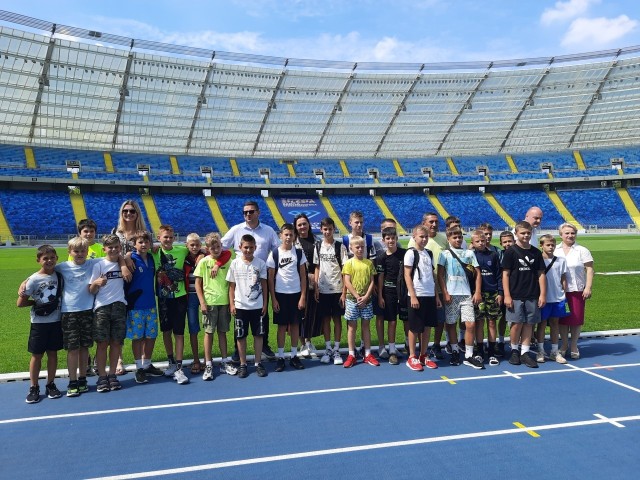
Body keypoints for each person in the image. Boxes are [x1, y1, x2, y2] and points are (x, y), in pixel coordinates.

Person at [221, 201, 279, 361]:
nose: (248, 214)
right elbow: (221, 246)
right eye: (245, 212)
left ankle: (264, 345)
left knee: (262, 314)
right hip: (240, 279)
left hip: (262, 277)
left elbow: (278, 250)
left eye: (251, 211)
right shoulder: (236, 229)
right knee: (240, 317)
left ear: (258, 212)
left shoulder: (268, 231)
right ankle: (237, 350)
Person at [58, 237, 106, 395]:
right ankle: (72, 381)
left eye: (83, 251)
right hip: (69, 312)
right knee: (72, 349)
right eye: (76, 251)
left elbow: (112, 256)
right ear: (69, 252)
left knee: (85, 346)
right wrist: (26, 281)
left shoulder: (92, 263)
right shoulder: (63, 267)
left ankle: (82, 378)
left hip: (87, 311)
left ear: (87, 252)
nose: (79, 254)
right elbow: (46, 271)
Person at [17, 245, 63, 403]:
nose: (49, 260)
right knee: (37, 355)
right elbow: (20, 303)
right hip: (39, 323)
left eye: (52, 257)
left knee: (53, 353)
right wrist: (37, 304)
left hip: (56, 321)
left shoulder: (59, 274)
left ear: (57, 258)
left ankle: (50, 384)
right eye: (45, 258)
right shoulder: (34, 280)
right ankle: (34, 386)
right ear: (38, 261)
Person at [502, 221, 546, 369]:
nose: (526, 235)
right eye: (522, 233)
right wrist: (507, 295)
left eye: (528, 233)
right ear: (516, 234)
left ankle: (525, 352)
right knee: (516, 324)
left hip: (532, 294)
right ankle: (514, 349)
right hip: (515, 295)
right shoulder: (510, 252)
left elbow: (541, 275)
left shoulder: (536, 252)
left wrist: (542, 294)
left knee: (529, 324)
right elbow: (505, 275)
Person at [437, 226, 483, 369]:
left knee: (470, 324)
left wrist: (477, 292)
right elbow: (440, 274)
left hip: (466, 294)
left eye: (459, 237)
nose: (457, 239)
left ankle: (469, 355)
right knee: (451, 324)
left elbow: (477, 273)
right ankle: (455, 351)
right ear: (449, 239)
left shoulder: (469, 253)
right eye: (454, 237)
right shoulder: (444, 254)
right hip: (451, 293)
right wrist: (444, 292)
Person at [89, 234, 129, 392]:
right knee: (102, 344)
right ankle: (102, 376)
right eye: (110, 247)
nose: (113, 249)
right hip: (102, 308)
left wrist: (124, 263)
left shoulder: (123, 264)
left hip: (119, 306)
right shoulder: (99, 265)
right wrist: (96, 283)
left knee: (116, 343)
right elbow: (91, 290)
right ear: (104, 249)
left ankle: (112, 375)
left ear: (120, 248)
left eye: (116, 247)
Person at [194, 232, 236, 380]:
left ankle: (224, 362)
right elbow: (198, 284)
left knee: (223, 332)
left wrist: (232, 303)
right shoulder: (204, 262)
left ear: (221, 246)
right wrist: (202, 302)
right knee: (209, 333)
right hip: (210, 303)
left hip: (224, 303)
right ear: (207, 248)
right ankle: (208, 364)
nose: (216, 249)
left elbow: (232, 284)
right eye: (212, 247)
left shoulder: (228, 261)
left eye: (218, 246)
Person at [151, 224, 190, 385]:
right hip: (163, 298)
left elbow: (199, 250)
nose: (168, 239)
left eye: (170, 237)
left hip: (180, 296)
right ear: (158, 238)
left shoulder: (182, 250)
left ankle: (179, 367)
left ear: (174, 238)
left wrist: (201, 254)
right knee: (166, 331)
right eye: (164, 237)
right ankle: (171, 361)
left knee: (179, 333)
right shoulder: (154, 253)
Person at [226, 234, 269, 378]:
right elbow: (231, 286)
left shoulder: (261, 264)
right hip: (240, 306)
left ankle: (258, 363)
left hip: (257, 306)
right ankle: (243, 364)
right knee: (241, 336)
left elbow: (264, 285)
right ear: (240, 248)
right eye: (246, 247)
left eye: (251, 247)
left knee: (258, 335)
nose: (248, 250)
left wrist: (265, 303)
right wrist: (232, 303)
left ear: (255, 248)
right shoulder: (235, 263)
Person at [112, 200, 146, 375]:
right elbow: (111, 253)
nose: (129, 214)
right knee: (119, 319)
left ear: (137, 213)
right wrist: (124, 261)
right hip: (119, 281)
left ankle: (141, 360)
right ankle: (118, 359)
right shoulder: (115, 233)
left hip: (138, 282)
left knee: (138, 320)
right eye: (125, 211)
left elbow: (148, 251)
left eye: (132, 211)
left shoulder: (143, 233)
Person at [267, 223, 307, 372]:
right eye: (286, 234)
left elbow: (303, 276)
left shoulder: (298, 253)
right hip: (280, 294)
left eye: (291, 234)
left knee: (295, 325)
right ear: (280, 236)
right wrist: (274, 299)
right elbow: (270, 278)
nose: (288, 237)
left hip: (296, 294)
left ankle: (294, 356)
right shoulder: (275, 253)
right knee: (282, 327)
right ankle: (281, 357)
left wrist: (303, 296)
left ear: (294, 236)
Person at [125, 231, 164, 384]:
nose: (143, 244)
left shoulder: (153, 258)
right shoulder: (130, 259)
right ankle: (139, 367)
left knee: (151, 335)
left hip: (151, 304)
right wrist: (127, 256)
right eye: (140, 242)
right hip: (136, 305)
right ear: (134, 244)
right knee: (138, 337)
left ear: (150, 244)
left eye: (146, 242)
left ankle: (147, 364)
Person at [554, 223, 594, 360]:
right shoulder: (555, 250)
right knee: (562, 320)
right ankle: (564, 345)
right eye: (567, 233)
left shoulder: (582, 250)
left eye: (572, 233)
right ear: (561, 235)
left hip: (577, 290)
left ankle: (574, 346)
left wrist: (588, 287)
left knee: (576, 320)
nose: (570, 235)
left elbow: (589, 269)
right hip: (559, 291)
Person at [404, 225, 441, 371]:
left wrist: (436, 295)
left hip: (429, 295)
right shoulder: (411, 253)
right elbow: (407, 275)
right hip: (417, 295)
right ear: (414, 237)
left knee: (427, 327)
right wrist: (412, 295)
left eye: (426, 237)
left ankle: (423, 355)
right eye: (421, 236)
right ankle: (412, 356)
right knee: (414, 327)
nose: (424, 239)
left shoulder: (429, 253)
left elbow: (431, 276)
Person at [313, 217, 348, 365]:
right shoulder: (318, 246)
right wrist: (315, 286)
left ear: (334, 229)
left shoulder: (340, 247)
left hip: (337, 289)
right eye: (325, 229)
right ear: (321, 230)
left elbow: (345, 270)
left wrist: (344, 292)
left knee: (337, 319)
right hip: (323, 289)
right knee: (325, 319)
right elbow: (317, 267)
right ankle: (328, 348)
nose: (327, 232)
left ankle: (337, 349)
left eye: (330, 229)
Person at [342, 236, 379, 368]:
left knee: (366, 326)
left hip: (366, 300)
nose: (360, 249)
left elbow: (372, 281)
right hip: (353, 300)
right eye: (357, 247)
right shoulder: (348, 263)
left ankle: (367, 353)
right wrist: (357, 296)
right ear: (351, 248)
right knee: (352, 327)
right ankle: (351, 354)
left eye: (362, 247)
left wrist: (366, 296)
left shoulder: (368, 263)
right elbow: (347, 281)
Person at [470, 229, 503, 366]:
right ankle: (479, 351)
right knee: (479, 322)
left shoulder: (493, 255)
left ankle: (491, 352)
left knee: (491, 322)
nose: (481, 243)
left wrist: (500, 292)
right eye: (477, 241)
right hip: (477, 294)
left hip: (492, 293)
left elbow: (499, 275)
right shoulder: (470, 256)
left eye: (483, 240)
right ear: (472, 243)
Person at [375, 226, 406, 365]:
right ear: (383, 240)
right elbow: (380, 277)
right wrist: (380, 296)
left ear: (396, 239)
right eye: (388, 238)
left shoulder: (405, 254)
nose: (391, 240)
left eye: (393, 238)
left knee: (407, 320)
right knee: (392, 321)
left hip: (404, 292)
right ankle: (392, 351)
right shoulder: (381, 258)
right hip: (389, 292)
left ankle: (409, 347)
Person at [536, 234, 568, 364]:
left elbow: (563, 278)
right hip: (544, 298)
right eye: (548, 245)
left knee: (555, 323)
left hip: (558, 297)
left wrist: (564, 293)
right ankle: (540, 350)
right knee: (542, 324)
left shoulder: (561, 260)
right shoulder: (538, 260)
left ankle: (555, 351)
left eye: (553, 245)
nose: (550, 247)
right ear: (541, 246)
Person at [294, 213, 320, 358]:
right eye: (299, 225)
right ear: (296, 227)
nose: (302, 227)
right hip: (297, 283)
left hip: (315, 282)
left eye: (304, 224)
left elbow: (320, 263)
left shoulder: (317, 240)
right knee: (300, 313)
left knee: (311, 314)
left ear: (309, 225)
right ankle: (302, 343)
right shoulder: (293, 242)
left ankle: (309, 341)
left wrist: (315, 278)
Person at [374, 218, 397, 359]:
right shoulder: (376, 244)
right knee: (380, 316)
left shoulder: (399, 246)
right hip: (379, 287)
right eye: (387, 229)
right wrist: (376, 286)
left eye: (393, 229)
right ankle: (382, 346)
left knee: (393, 318)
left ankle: (392, 346)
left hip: (395, 288)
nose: (390, 236)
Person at [184, 233, 205, 374]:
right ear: (187, 246)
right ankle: (196, 359)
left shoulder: (205, 256)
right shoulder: (183, 257)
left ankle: (207, 359)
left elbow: (226, 253)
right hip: (190, 297)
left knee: (209, 328)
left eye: (197, 244)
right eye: (192, 245)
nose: (195, 247)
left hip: (205, 296)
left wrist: (204, 252)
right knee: (193, 328)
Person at [496, 230, 515, 356]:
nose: (508, 244)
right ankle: (501, 341)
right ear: (501, 243)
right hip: (504, 291)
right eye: (505, 242)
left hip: (518, 290)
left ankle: (515, 343)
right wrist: (501, 292)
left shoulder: (518, 253)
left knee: (516, 319)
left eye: (510, 241)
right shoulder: (499, 256)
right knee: (503, 317)